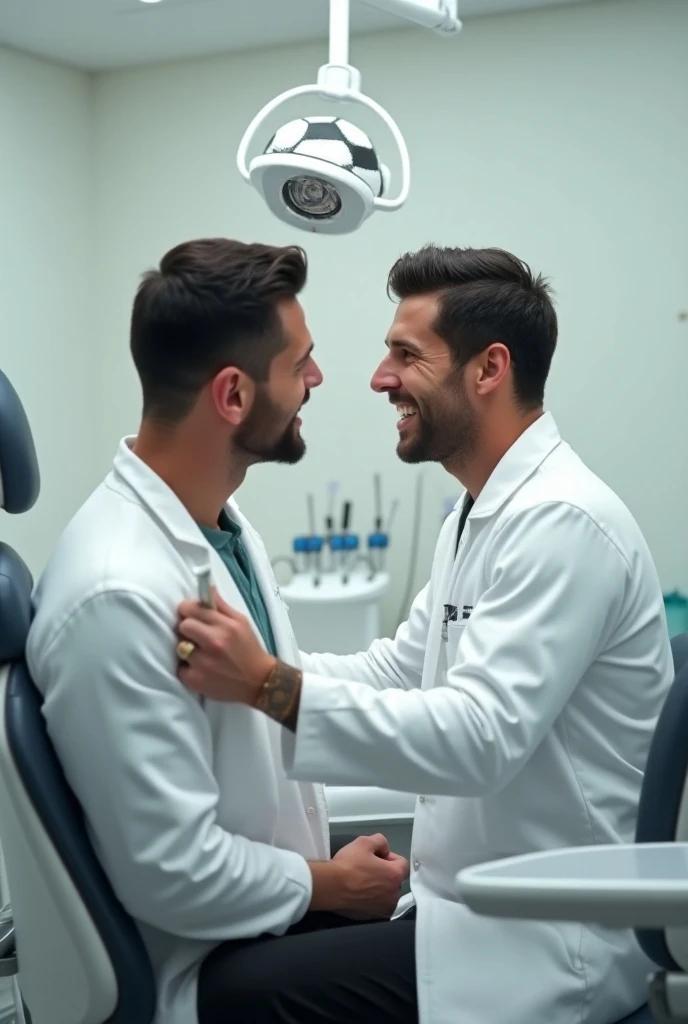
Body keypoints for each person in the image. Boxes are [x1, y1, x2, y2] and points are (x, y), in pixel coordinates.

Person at [176, 245, 674, 1024]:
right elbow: (399, 668)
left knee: (233, 993)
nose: (379, 378)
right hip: (469, 912)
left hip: (550, 941)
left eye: (406, 354)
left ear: (489, 369)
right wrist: (249, 673)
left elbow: (478, 738)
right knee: (252, 952)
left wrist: (267, 686)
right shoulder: (479, 513)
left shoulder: (563, 523)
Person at [26, 238, 416, 1024]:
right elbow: (174, 873)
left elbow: (272, 703)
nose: (317, 379)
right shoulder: (117, 593)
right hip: (211, 969)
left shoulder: (215, 527)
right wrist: (330, 883)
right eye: (300, 363)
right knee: (472, 960)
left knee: (463, 936)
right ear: (233, 395)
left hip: (267, 923)